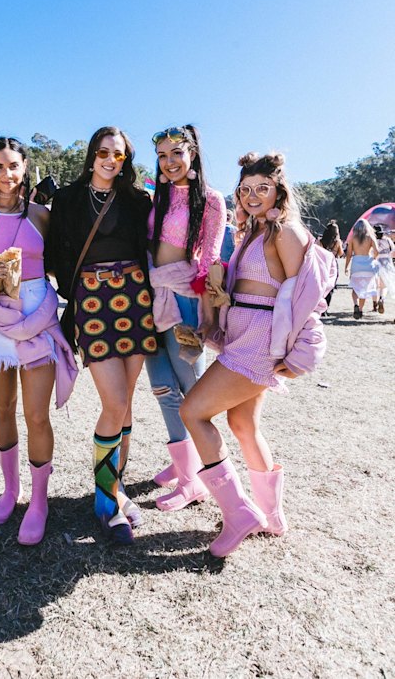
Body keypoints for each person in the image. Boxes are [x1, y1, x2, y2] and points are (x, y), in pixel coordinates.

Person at [180, 152, 336, 558]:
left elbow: (308, 295)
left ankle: (238, 512)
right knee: (243, 423)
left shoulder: (285, 232)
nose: (252, 195)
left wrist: (304, 352)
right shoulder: (252, 231)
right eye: (245, 189)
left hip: (260, 341)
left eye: (261, 188)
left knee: (192, 412)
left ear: (278, 191)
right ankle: (272, 515)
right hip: (243, 333)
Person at [47, 126, 157, 544]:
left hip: (135, 300)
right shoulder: (68, 198)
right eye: (105, 152)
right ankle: (105, 500)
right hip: (92, 302)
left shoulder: (137, 199)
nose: (112, 160)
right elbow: (56, 253)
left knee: (126, 406)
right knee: (113, 403)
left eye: (120, 154)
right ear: (92, 154)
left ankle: (117, 487)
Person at [0, 136, 77, 546]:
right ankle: (10, 491)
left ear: (25, 168)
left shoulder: (43, 216)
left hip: (38, 316)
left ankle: (39, 502)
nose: (6, 174)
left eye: (13, 166)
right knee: (2, 407)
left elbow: (63, 261)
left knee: (37, 415)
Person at [145, 125, 226, 512]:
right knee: (162, 386)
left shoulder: (210, 200)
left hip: (184, 301)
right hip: (149, 298)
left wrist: (207, 315)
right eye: (162, 155)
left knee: (190, 390)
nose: (170, 162)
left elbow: (209, 258)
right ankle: (183, 463)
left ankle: (194, 480)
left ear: (192, 153)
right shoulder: (156, 195)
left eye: (177, 153)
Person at [344, 219, 379, 319]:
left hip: (356, 264)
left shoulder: (352, 238)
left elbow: (349, 254)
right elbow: (377, 251)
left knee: (355, 287)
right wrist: (373, 259)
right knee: (365, 289)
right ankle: (360, 310)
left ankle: (355, 304)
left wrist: (346, 267)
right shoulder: (370, 237)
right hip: (368, 264)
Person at [318, 219, 344, 315]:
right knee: (330, 288)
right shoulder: (337, 242)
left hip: (321, 263)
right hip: (332, 265)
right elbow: (341, 254)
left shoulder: (320, 240)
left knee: (320, 286)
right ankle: (325, 309)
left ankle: (318, 307)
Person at [373, 225, 395, 314]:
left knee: (375, 285)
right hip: (386, 263)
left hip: (375, 263)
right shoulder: (387, 240)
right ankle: (382, 298)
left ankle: (374, 303)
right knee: (384, 285)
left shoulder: (373, 241)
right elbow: (393, 251)